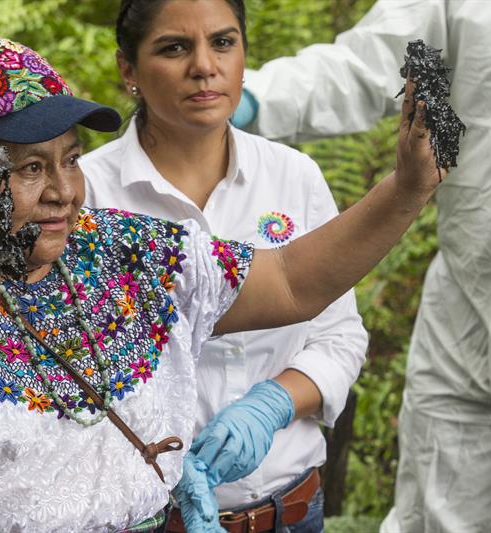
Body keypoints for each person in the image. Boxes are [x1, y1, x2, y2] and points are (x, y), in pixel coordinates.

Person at [0, 34, 439, 532]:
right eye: (32, 167)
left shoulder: (119, 249)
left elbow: (291, 282)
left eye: (72, 159)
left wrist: (407, 187)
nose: (63, 192)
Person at [232, 1, 491, 531]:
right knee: (432, 512)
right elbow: (370, 60)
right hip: (471, 287)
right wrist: (250, 96)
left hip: (474, 283)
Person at [80, 1, 367, 531]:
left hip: (293, 509)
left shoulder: (293, 176)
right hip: (151, 517)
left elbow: (339, 334)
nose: (204, 66)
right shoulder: (86, 193)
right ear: (129, 70)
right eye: (174, 47)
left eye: (223, 42)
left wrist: (274, 401)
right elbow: (69, 368)